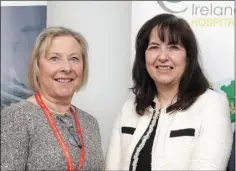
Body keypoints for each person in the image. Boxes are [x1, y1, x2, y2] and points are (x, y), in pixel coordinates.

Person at [105, 13, 233, 170]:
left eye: (173, 47)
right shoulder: (129, 107)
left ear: (188, 57)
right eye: (154, 47)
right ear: (143, 57)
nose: (163, 57)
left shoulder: (212, 105)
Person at [1, 26, 104, 171]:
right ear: (37, 66)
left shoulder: (90, 123)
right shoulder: (16, 118)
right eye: (54, 58)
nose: (67, 68)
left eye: (74, 59)